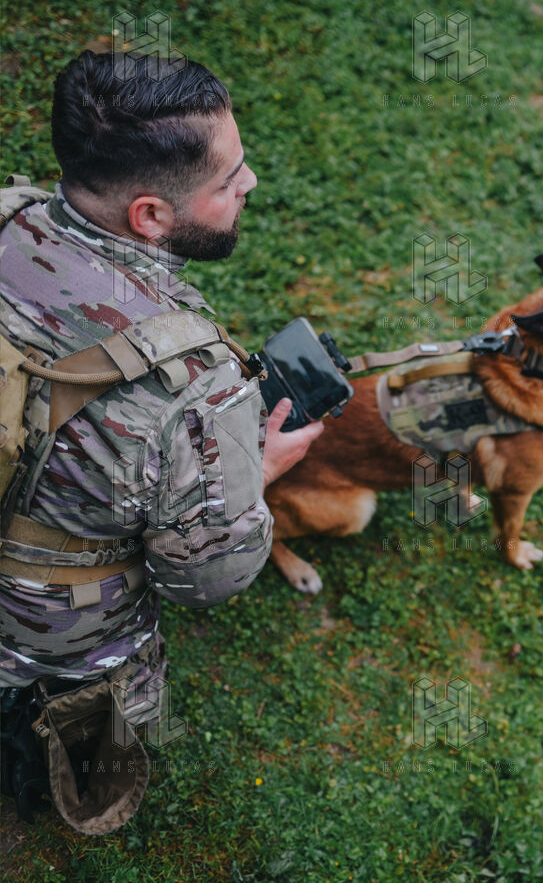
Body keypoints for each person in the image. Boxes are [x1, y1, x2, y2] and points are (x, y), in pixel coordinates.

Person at [0, 50, 323, 832]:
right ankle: (47, 775)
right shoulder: (196, 390)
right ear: (150, 215)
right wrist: (257, 471)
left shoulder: (7, 212)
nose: (250, 183)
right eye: (229, 179)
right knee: (92, 701)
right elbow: (207, 579)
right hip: (47, 621)